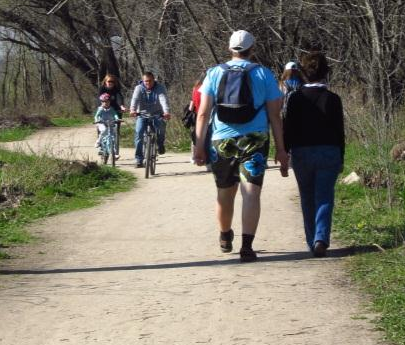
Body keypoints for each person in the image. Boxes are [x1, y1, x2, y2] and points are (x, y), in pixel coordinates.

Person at [194, 30, 289, 262]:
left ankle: (225, 236)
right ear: (252, 49)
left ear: (229, 49)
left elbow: (203, 113)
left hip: (221, 141)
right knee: (251, 193)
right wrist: (281, 149)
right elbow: (275, 116)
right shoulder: (263, 74)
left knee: (224, 193)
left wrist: (199, 146)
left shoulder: (214, 73)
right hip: (255, 141)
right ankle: (247, 246)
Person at [283, 51, 344, 257]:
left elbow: (288, 128)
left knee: (307, 197)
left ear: (304, 74)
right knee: (325, 196)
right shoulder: (333, 99)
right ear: (326, 72)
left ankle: (312, 241)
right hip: (329, 152)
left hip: (302, 153)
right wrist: (341, 157)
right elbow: (339, 131)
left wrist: (285, 152)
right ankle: (321, 237)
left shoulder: (295, 98)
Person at [129, 71, 171, 168]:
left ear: (154, 80)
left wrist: (166, 112)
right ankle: (139, 159)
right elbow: (134, 99)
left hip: (157, 114)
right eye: (145, 81)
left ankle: (160, 144)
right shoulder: (139, 88)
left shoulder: (160, 88)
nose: (147, 83)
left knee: (161, 128)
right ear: (143, 81)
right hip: (142, 114)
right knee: (139, 134)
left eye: (150, 81)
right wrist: (132, 110)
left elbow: (163, 99)